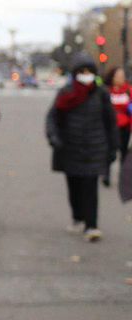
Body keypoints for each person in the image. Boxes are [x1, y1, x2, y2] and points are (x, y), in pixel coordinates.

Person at [46, 58, 118, 242]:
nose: (86, 76)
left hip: (95, 146)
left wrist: (113, 146)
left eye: (89, 72)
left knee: (90, 186)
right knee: (75, 186)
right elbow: (53, 117)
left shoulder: (101, 93)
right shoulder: (66, 93)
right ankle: (78, 216)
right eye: (82, 71)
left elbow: (110, 121)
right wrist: (54, 138)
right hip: (70, 146)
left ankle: (91, 225)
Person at [107, 66, 130, 165]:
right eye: (118, 76)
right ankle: (106, 175)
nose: (121, 78)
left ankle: (122, 175)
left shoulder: (129, 90)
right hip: (110, 126)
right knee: (108, 151)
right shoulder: (106, 91)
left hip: (125, 127)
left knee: (123, 151)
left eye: (122, 76)